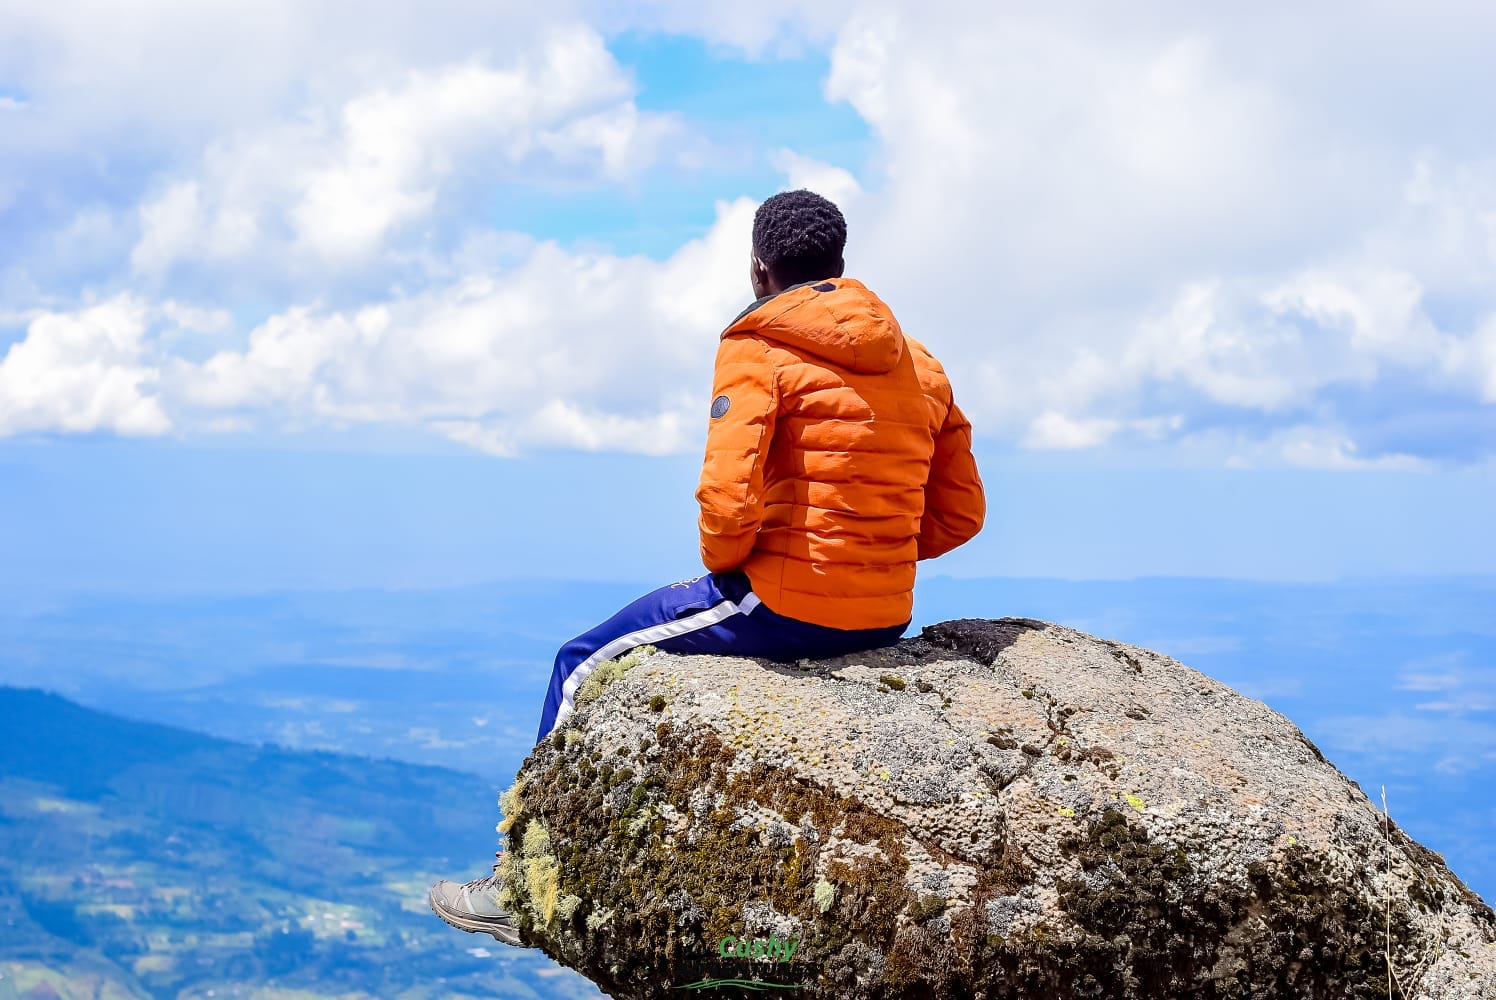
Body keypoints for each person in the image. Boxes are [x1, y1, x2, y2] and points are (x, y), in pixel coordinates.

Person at [428, 189, 985, 945]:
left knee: (582, 659)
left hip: (785, 607)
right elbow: (961, 514)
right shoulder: (921, 365)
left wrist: (761, 568)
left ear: (760, 270)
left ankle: (520, 886)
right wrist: (867, 552)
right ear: (841, 265)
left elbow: (727, 506)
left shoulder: (759, 347)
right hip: (887, 612)